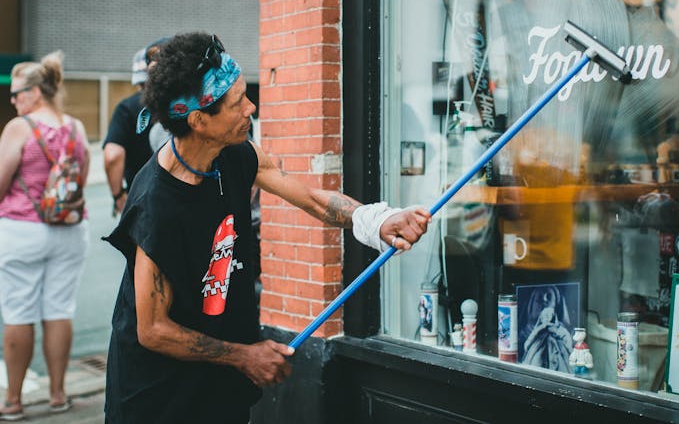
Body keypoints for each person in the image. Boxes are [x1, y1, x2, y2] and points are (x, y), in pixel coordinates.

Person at [103, 32, 431, 423]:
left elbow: (311, 198)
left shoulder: (238, 154)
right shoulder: (157, 202)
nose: (251, 107)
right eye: (238, 101)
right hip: (158, 399)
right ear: (199, 120)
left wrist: (376, 220)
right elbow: (153, 329)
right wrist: (246, 355)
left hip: (219, 387)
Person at [0, 52, 90, 420]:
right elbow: (80, 181)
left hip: (22, 228)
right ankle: (57, 395)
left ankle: (14, 402)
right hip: (69, 230)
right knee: (59, 310)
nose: (13, 99)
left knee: (19, 311)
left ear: (36, 92)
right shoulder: (76, 127)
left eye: (18, 93)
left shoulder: (19, 128)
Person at [103, 38, 169, 216]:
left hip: (140, 202)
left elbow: (112, 156)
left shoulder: (127, 107)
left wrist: (118, 196)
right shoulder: (192, 106)